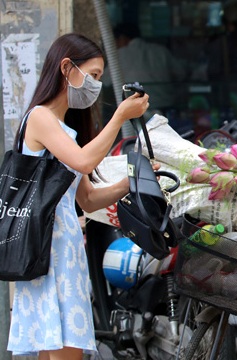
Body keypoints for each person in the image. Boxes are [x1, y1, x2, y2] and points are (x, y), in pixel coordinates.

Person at [7, 33, 150, 359]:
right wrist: (119, 117)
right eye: (94, 75)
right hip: (47, 250)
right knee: (63, 350)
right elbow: (84, 161)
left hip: (65, 248)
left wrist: (132, 181)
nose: (96, 85)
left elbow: (86, 199)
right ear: (67, 68)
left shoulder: (65, 130)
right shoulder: (41, 118)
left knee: (60, 350)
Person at [109, 22, 187, 113]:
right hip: (166, 106)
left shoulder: (119, 55)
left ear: (122, 38)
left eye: (116, 41)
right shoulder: (161, 51)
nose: (116, 45)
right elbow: (181, 73)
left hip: (138, 111)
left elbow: (106, 83)